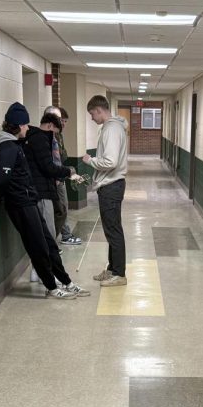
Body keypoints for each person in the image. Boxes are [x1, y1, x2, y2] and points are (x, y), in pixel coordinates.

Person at [0, 102, 85, 299]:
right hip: (21, 204)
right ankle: (52, 287)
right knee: (39, 247)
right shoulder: (8, 148)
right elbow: (2, 181)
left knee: (49, 244)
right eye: (25, 125)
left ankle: (66, 281)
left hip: (30, 200)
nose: (28, 128)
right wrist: (15, 196)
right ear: (18, 125)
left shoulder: (17, 144)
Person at [24, 111, 87, 284]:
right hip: (41, 193)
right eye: (55, 132)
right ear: (50, 126)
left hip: (40, 191)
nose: (56, 137)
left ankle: (39, 271)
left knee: (43, 236)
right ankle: (47, 273)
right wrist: (67, 171)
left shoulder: (35, 138)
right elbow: (48, 167)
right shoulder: (40, 139)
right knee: (48, 236)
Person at [81, 95, 128, 287]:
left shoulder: (111, 129)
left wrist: (90, 161)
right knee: (111, 230)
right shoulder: (112, 128)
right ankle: (112, 269)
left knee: (113, 230)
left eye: (92, 114)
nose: (92, 118)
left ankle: (119, 274)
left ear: (100, 110)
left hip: (111, 185)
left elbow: (110, 161)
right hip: (110, 184)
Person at [44, 105, 81, 246]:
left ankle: (64, 235)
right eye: (62, 120)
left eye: (65, 121)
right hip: (54, 178)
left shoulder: (58, 135)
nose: (63, 123)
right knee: (58, 209)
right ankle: (60, 237)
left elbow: (62, 155)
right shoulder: (48, 136)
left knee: (63, 207)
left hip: (60, 175)